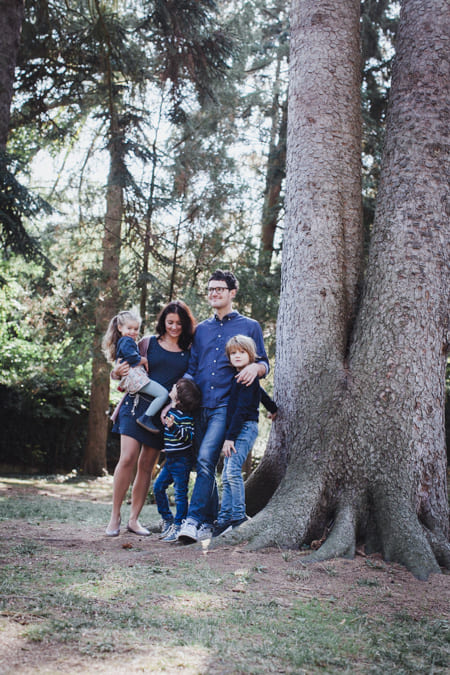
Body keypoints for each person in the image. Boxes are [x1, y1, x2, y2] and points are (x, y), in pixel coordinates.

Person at [177, 269, 270, 544]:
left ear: (232, 293)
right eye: (210, 289)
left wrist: (255, 366)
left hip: (226, 406)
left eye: (219, 288)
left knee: (207, 459)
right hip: (199, 405)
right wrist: (177, 392)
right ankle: (210, 520)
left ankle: (192, 521)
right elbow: (192, 368)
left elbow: (264, 362)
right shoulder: (201, 330)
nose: (214, 293)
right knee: (202, 464)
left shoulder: (249, 325)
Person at [105, 300, 196, 537]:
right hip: (135, 406)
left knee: (146, 466)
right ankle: (115, 516)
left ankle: (134, 520)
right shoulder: (147, 342)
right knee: (127, 458)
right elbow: (121, 365)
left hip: (162, 413)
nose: (174, 327)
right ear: (163, 322)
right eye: (170, 322)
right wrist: (115, 372)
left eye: (179, 323)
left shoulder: (189, 351)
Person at [213, 335, 277, 537]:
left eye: (242, 352)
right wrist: (273, 408)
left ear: (251, 355)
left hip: (244, 428)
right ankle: (224, 519)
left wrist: (229, 438)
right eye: (233, 353)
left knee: (232, 472)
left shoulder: (246, 378)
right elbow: (263, 395)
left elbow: (241, 411)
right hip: (238, 429)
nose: (237, 356)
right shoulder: (243, 378)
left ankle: (239, 517)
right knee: (226, 474)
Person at [102, 310, 170, 434]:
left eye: (136, 329)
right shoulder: (126, 341)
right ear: (120, 328)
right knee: (163, 394)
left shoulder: (125, 341)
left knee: (161, 394)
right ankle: (146, 418)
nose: (133, 332)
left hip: (132, 377)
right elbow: (132, 358)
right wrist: (144, 360)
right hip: (134, 377)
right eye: (129, 328)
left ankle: (146, 417)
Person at [153, 378, 202, 542]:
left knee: (180, 494)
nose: (172, 386)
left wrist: (173, 427)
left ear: (179, 398)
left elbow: (188, 437)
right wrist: (168, 446)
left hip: (182, 461)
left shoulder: (185, 416)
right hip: (170, 459)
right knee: (158, 487)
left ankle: (180, 524)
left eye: (176, 387)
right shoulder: (171, 412)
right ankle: (167, 519)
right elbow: (171, 437)